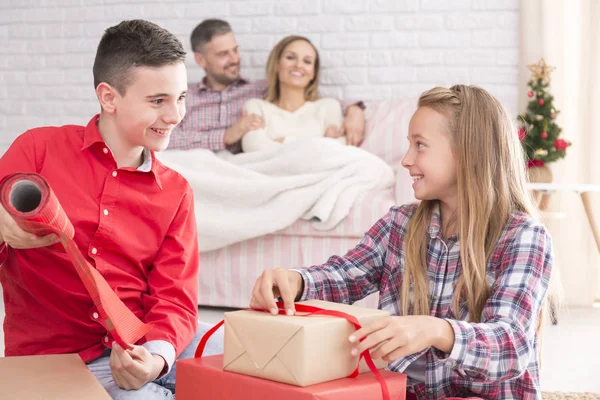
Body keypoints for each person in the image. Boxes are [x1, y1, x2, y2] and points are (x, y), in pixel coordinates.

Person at [249, 85, 553, 399]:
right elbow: (345, 274)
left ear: (468, 152)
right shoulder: (400, 224)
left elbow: (511, 345)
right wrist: (295, 281)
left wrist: (437, 330)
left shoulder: (523, 236)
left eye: (420, 145)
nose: (406, 160)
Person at [0, 20, 222, 399]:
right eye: (158, 101)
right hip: (63, 357)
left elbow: (175, 298)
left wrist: (156, 359)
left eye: (181, 97)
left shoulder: (176, 192)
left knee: (254, 361)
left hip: (143, 339)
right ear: (109, 97)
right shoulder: (37, 151)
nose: (175, 116)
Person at [168, 19, 366, 153]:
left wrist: (355, 109)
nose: (234, 59)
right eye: (223, 54)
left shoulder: (259, 91)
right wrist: (226, 136)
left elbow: (311, 97)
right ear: (201, 60)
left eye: (235, 51)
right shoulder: (185, 97)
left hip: (241, 168)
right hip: (195, 165)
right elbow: (167, 139)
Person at [240, 35, 345, 153]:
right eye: (290, 57)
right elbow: (252, 146)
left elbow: (339, 148)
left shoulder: (328, 106)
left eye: (307, 61)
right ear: (277, 65)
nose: (298, 65)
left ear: (313, 73)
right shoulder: (256, 106)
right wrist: (320, 143)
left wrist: (283, 141)